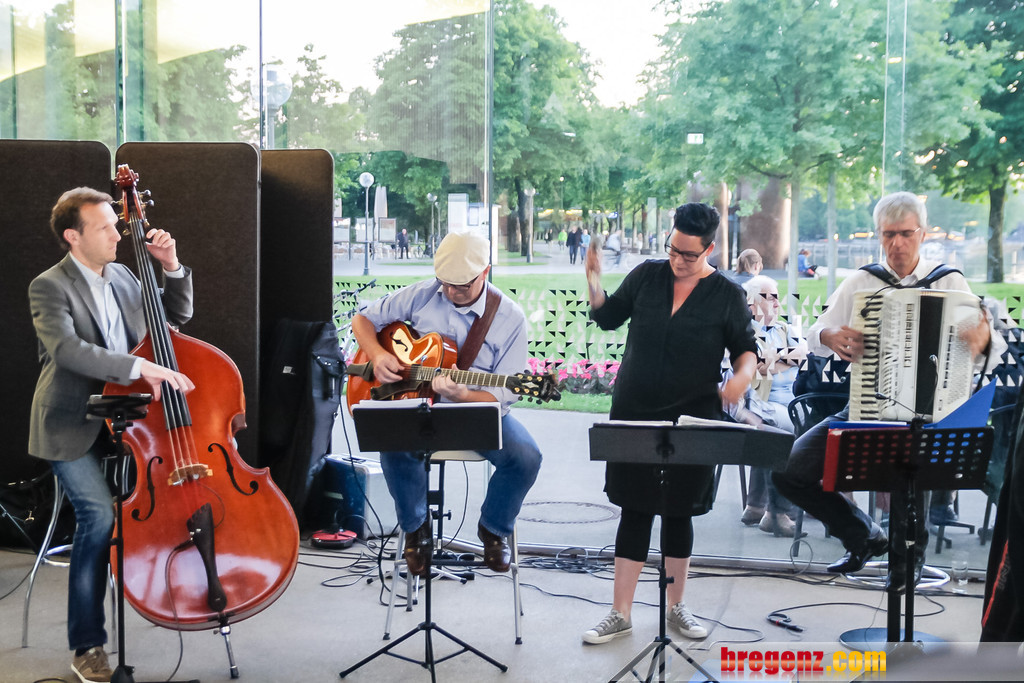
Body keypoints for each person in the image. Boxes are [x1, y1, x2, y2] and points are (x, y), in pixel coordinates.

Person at [772, 191, 1004, 593]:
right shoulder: (863, 281)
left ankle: (908, 563)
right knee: (788, 471)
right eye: (888, 234)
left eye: (905, 234)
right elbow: (815, 333)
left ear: (923, 234)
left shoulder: (949, 281)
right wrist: (829, 335)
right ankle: (862, 535)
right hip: (864, 406)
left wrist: (982, 338)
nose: (896, 243)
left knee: (908, 476)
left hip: (929, 413)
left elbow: (989, 350)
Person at [28, 187, 195, 683]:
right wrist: (139, 367)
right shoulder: (48, 286)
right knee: (99, 517)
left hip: (129, 420)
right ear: (72, 236)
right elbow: (68, 350)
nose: (118, 235)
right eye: (104, 227)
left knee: (151, 509)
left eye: (115, 224)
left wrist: (171, 267)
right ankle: (87, 646)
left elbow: (172, 321)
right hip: (69, 421)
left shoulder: (124, 275)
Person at [581, 202, 757, 644]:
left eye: (689, 255)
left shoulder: (727, 295)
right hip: (634, 408)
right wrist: (594, 281)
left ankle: (676, 606)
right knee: (635, 507)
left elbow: (745, 349)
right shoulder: (647, 275)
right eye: (673, 249)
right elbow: (607, 317)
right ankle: (620, 613)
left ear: (710, 249)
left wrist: (740, 380)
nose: (678, 260)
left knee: (679, 510)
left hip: (693, 414)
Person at [350, 231, 543, 577]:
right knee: (392, 440)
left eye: (462, 286)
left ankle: (493, 529)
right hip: (417, 406)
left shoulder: (509, 318)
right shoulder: (424, 293)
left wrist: (463, 396)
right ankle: (416, 528)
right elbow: (362, 319)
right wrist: (378, 355)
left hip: (474, 412)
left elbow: (504, 393)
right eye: (446, 283)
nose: (452, 292)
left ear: (484, 272)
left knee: (527, 457)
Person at [732, 275, 807, 537]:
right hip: (757, 406)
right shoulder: (742, 333)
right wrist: (782, 359)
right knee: (782, 432)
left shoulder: (786, 329)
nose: (777, 302)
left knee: (788, 426)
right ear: (751, 304)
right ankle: (778, 512)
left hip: (792, 404)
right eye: (769, 296)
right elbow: (755, 366)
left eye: (777, 296)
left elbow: (802, 354)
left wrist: (773, 360)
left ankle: (756, 506)